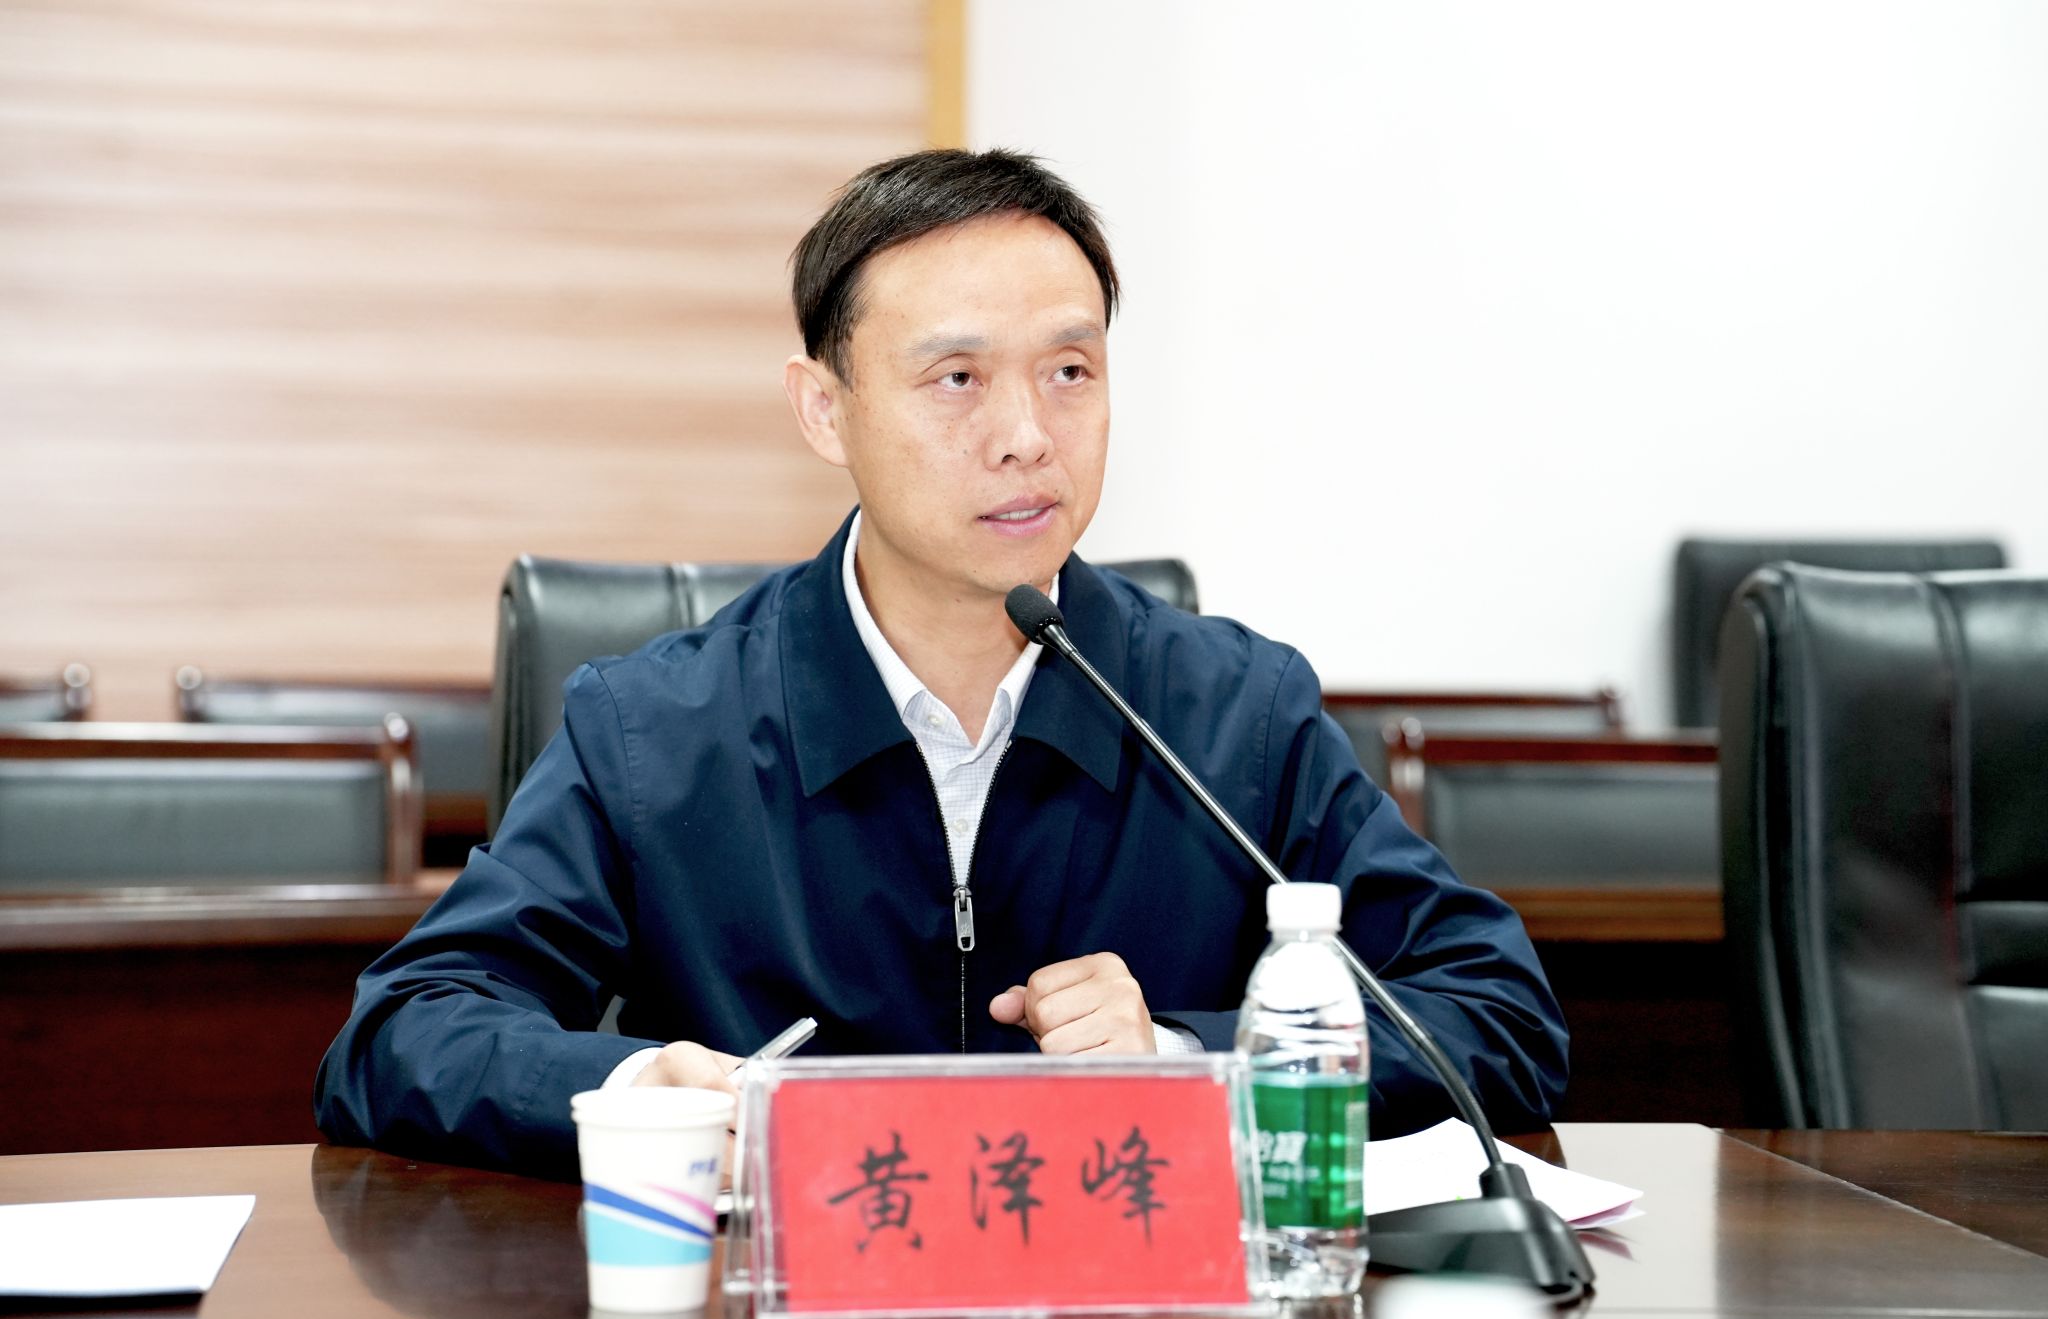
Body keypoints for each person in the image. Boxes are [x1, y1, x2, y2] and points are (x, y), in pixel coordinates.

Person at [315, 149, 1567, 1178]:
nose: (1026, 436)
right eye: (956, 378)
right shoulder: (654, 729)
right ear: (825, 409)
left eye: (1069, 371)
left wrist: (1189, 1062)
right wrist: (641, 1089)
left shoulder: (1233, 711)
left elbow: (1493, 1010)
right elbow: (404, 1032)